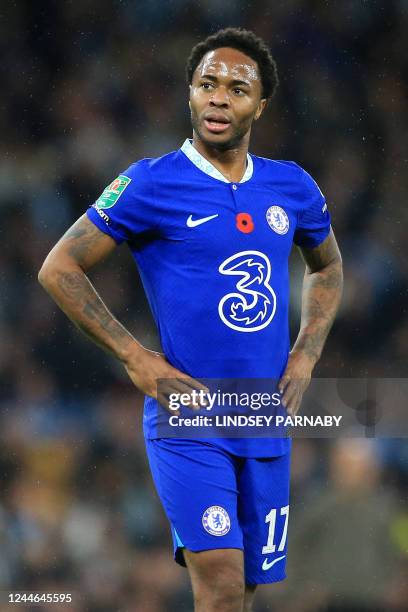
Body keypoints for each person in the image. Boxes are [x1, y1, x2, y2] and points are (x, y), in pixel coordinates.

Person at [38, 28, 343, 612]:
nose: (219, 98)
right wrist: (136, 357)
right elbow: (60, 267)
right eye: (207, 84)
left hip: (263, 418)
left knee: (244, 590)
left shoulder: (293, 186)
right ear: (190, 95)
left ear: (260, 106)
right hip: (190, 416)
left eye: (236, 88)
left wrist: (305, 354)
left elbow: (327, 268)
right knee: (223, 581)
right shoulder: (151, 182)